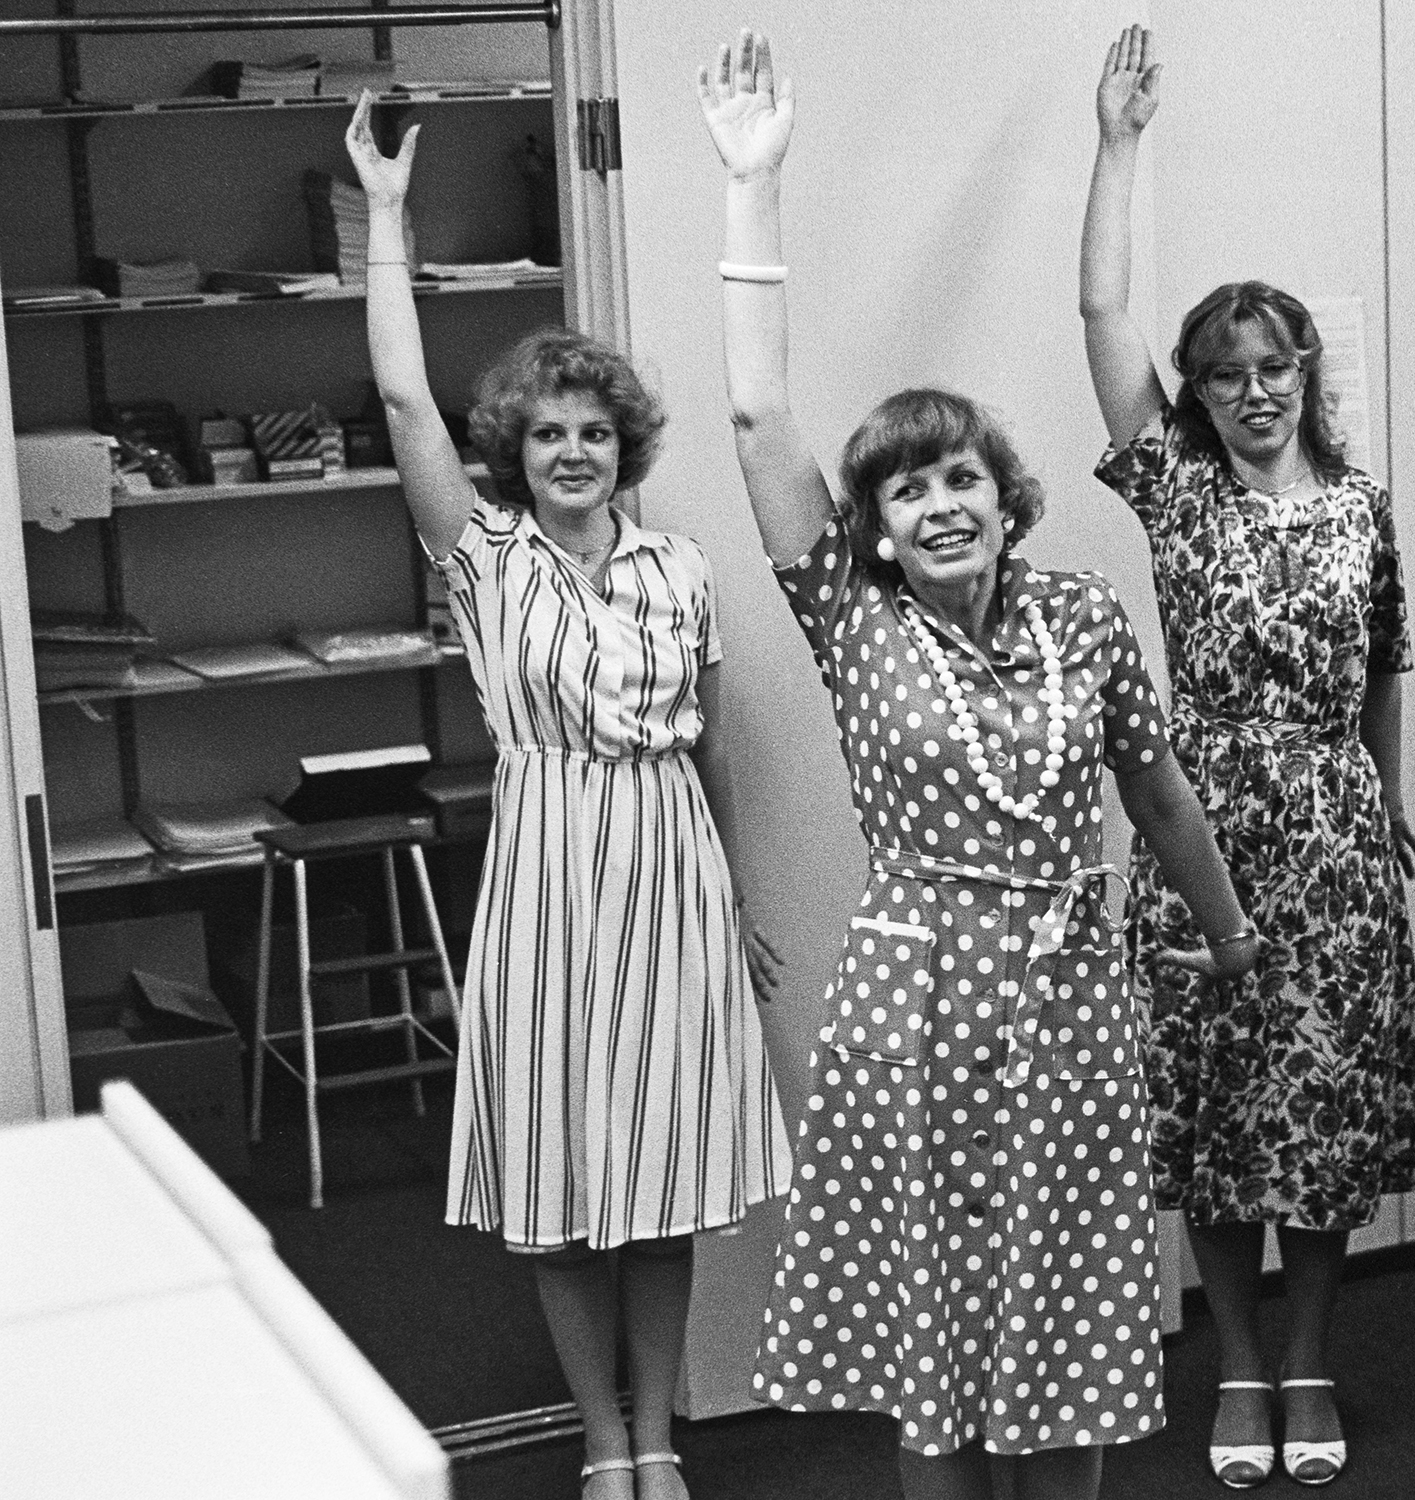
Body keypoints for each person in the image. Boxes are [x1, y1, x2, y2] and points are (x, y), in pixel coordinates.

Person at [697, 34, 1258, 1500]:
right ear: (873, 529)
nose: (939, 503)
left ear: (1005, 500)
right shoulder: (852, 617)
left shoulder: (1085, 614)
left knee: (1070, 1305)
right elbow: (757, 417)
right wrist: (753, 186)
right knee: (935, 1329)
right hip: (918, 996)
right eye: (906, 488)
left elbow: (1158, 794)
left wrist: (1230, 937)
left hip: (1070, 993)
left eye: (961, 478)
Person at [346, 95, 791, 1500]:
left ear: (626, 446)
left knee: (660, 1186)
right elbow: (403, 402)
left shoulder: (679, 571)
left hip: (670, 884)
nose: (573, 453)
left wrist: (736, 900)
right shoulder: (483, 562)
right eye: (547, 435)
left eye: (595, 431)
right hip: (544, 882)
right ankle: (599, 1438)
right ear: (516, 453)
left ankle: (657, 1434)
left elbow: (709, 751)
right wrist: (386, 222)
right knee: (554, 1192)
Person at [1080, 25, 1415, 1487]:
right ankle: (1235, 1365)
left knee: (1324, 1111)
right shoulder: (1177, 491)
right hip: (1203, 820)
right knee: (1217, 1111)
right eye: (1225, 375)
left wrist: (1386, 792)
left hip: (1335, 825)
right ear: (1199, 395)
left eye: (1275, 365)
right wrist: (1119, 144)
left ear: (1305, 372)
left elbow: (1388, 657)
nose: (1254, 390)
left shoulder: (1361, 503)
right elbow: (1101, 311)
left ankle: (1313, 1356)